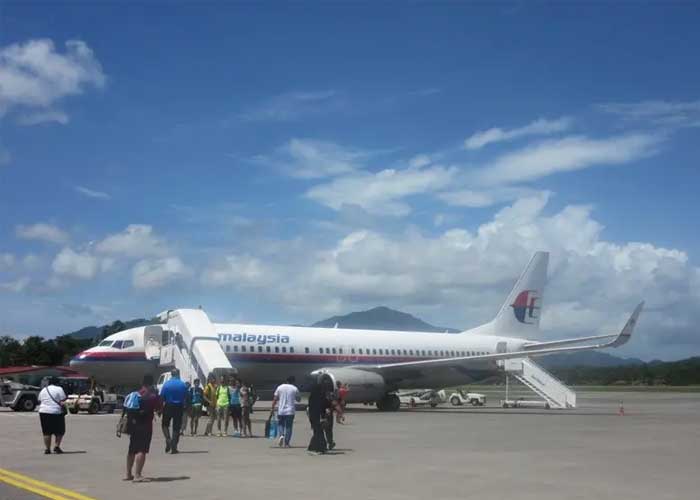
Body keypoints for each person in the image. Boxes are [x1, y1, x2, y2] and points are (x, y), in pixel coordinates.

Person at [125, 374, 162, 482]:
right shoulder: (152, 396)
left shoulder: (135, 394)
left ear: (142, 383)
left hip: (133, 424)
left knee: (132, 449)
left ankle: (128, 473)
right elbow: (159, 408)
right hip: (145, 425)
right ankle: (137, 475)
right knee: (142, 450)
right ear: (151, 384)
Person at [159, 368, 187, 453]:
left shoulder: (166, 384)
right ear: (178, 374)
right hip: (179, 406)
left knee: (165, 424)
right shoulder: (183, 385)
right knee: (176, 427)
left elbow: (162, 397)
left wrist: (159, 409)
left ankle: (168, 439)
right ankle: (174, 447)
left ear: (171, 374)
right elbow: (186, 397)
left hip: (168, 406)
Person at [37, 377, 67, 454]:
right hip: (56, 412)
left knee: (46, 432)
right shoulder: (59, 389)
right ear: (57, 383)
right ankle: (56, 447)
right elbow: (63, 400)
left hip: (43, 412)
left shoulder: (44, 389)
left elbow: (39, 400)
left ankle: (47, 449)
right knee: (60, 431)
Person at [271, 376, 299, 448]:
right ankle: (286, 443)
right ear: (293, 381)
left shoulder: (280, 387)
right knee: (289, 427)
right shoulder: (294, 388)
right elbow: (299, 399)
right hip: (290, 411)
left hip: (281, 410)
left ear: (286, 381)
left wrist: (272, 408)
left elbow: (275, 398)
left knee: (280, 424)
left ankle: (281, 435)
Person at [306, 380, 330, 455]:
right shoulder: (322, 396)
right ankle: (319, 448)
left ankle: (316, 447)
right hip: (320, 416)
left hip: (313, 416)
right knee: (319, 432)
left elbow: (309, 407)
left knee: (317, 432)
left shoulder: (312, 397)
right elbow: (325, 406)